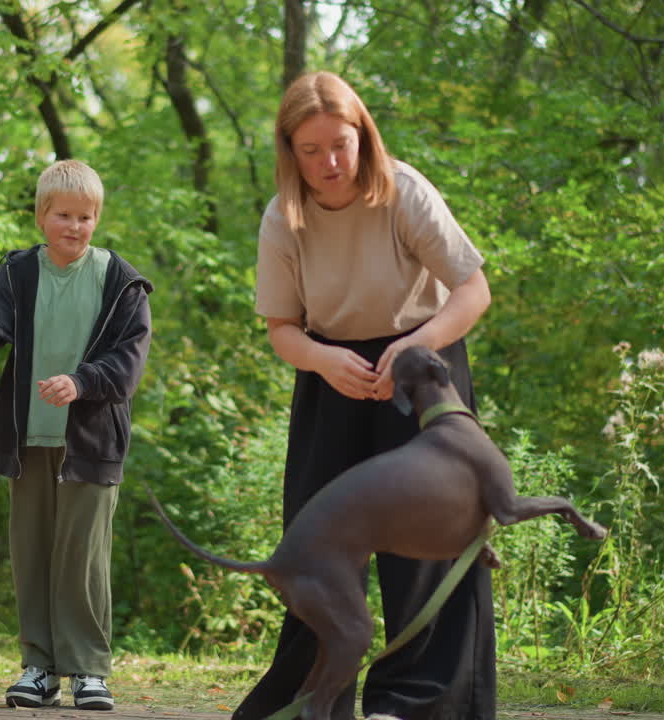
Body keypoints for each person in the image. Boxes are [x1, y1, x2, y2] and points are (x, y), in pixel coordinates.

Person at [234, 71, 496, 720]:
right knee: (317, 542)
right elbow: (282, 330)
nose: (329, 163)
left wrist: (418, 345)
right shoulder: (282, 218)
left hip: (421, 369)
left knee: (428, 541)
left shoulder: (403, 190)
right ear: (290, 152)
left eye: (341, 145)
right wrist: (324, 361)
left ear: (363, 136)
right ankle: (314, 702)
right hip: (332, 376)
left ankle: (416, 703)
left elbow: (474, 291)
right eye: (311, 149)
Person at [0, 159, 153, 712]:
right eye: (64, 215)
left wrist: (81, 382)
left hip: (92, 442)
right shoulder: (18, 273)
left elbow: (127, 365)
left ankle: (88, 672)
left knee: (81, 559)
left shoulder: (120, 280)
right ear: (42, 216)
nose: (75, 226)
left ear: (97, 218)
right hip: (28, 440)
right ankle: (39, 669)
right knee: (32, 553)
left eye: (86, 217)